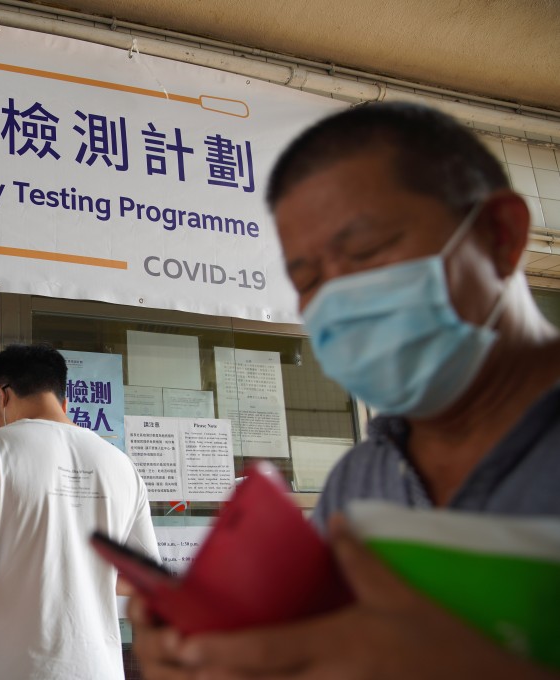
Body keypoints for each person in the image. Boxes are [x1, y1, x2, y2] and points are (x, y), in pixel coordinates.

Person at [130, 102, 560, 678]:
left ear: (499, 235)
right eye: (307, 280)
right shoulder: (360, 482)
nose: (337, 299)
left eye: (366, 251)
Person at [0, 343, 158, 679]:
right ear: (64, 401)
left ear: (1, 396)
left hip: (10, 668)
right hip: (98, 669)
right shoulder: (120, 463)